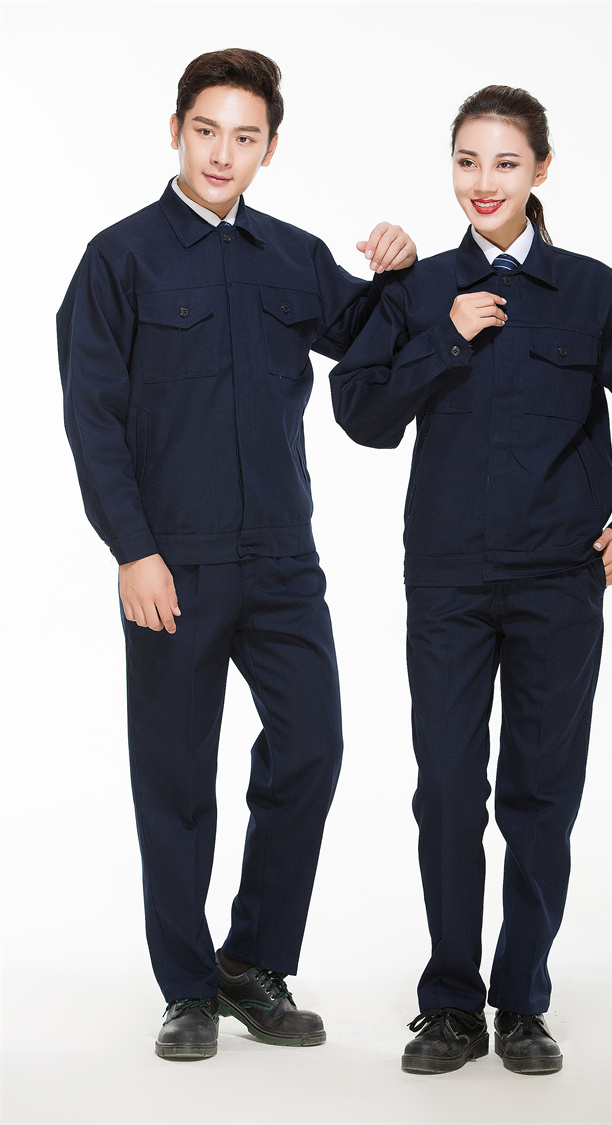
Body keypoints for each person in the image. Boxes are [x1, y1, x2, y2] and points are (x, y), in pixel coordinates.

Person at [57, 47, 416, 1061]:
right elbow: (93, 417)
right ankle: (185, 988)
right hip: (172, 561)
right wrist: (132, 549)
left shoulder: (293, 256)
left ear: (269, 148)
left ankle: (252, 962)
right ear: (175, 131)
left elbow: (375, 339)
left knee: (312, 746)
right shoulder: (118, 259)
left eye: (245, 136)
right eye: (207, 130)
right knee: (175, 777)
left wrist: (399, 272)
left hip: (283, 559)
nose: (223, 153)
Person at [330, 85, 612, 1077]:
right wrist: (445, 336)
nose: (482, 182)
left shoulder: (592, 292)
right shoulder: (418, 288)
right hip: (448, 581)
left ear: (540, 169)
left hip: (557, 586)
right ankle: (451, 1004)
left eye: (504, 162)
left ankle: (522, 1000)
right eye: (466, 161)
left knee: (540, 796)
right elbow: (359, 413)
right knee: (448, 792)